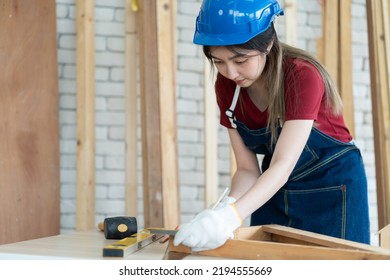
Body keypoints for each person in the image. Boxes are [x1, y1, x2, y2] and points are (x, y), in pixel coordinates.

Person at [173, 0, 370, 251]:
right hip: (272, 187)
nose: (231, 72)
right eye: (218, 62)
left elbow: (282, 164)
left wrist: (230, 218)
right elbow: (247, 169)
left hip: (331, 188)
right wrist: (222, 210)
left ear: (267, 43)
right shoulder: (227, 88)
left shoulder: (302, 76)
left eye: (240, 60)